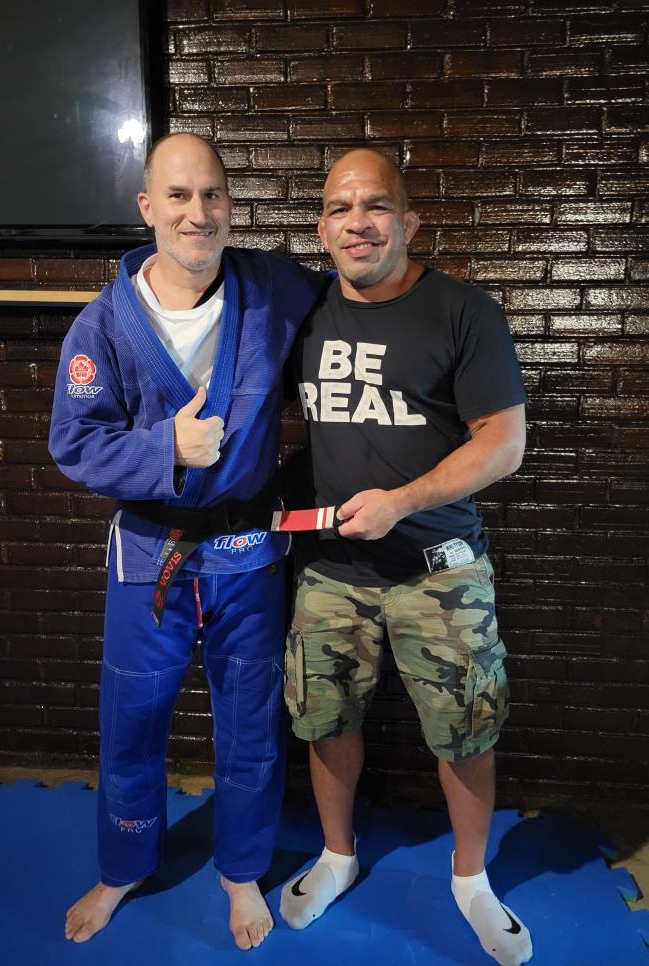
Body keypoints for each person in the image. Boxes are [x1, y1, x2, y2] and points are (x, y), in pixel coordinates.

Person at [48, 133, 327, 950]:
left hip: (247, 549)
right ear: (147, 207)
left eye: (212, 195)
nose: (196, 213)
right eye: (177, 195)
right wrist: (163, 447)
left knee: (251, 721)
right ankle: (124, 864)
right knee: (133, 717)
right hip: (151, 552)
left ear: (231, 205)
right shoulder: (104, 325)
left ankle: (240, 870)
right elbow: (74, 442)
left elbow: (354, 293)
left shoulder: (272, 288)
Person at [279, 148, 532, 966]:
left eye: (376, 206)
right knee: (325, 722)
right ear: (322, 228)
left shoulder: (464, 311)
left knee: (465, 732)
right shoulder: (304, 314)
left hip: (440, 568)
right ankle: (337, 856)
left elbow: (504, 444)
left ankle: (471, 880)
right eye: (339, 208)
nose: (358, 223)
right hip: (330, 571)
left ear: (409, 221)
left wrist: (402, 501)